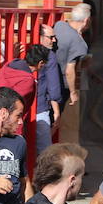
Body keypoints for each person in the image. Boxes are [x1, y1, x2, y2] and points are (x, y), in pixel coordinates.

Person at [53, 4, 91, 144]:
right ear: (86, 20)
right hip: (61, 86)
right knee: (56, 121)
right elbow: (70, 70)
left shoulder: (59, 25)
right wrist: (73, 92)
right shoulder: (79, 43)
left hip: (47, 79)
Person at [0, 44, 48, 125]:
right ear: (41, 63)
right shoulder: (27, 80)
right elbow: (16, 105)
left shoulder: (9, 65)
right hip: (10, 122)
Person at [34, 24, 64, 154]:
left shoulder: (29, 51)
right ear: (40, 37)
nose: (54, 40)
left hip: (22, 108)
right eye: (50, 37)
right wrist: (56, 112)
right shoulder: (49, 55)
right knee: (45, 150)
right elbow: (53, 86)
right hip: (40, 107)